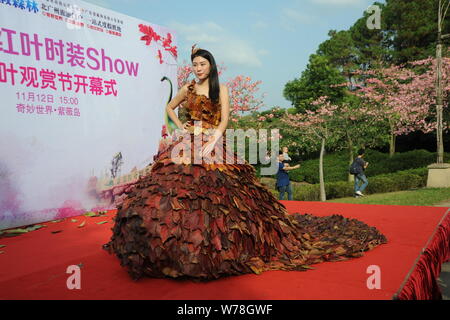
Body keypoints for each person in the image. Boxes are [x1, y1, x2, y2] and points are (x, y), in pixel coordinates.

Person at [103, 45, 387, 281]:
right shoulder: (188, 88)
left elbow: (225, 119)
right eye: (194, 64)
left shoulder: (220, 89)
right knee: (171, 193)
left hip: (213, 143)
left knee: (218, 195)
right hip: (187, 142)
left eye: (202, 64)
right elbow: (168, 107)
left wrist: (214, 139)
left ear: (211, 66)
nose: (198, 68)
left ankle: (211, 250)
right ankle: (166, 249)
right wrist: (182, 127)